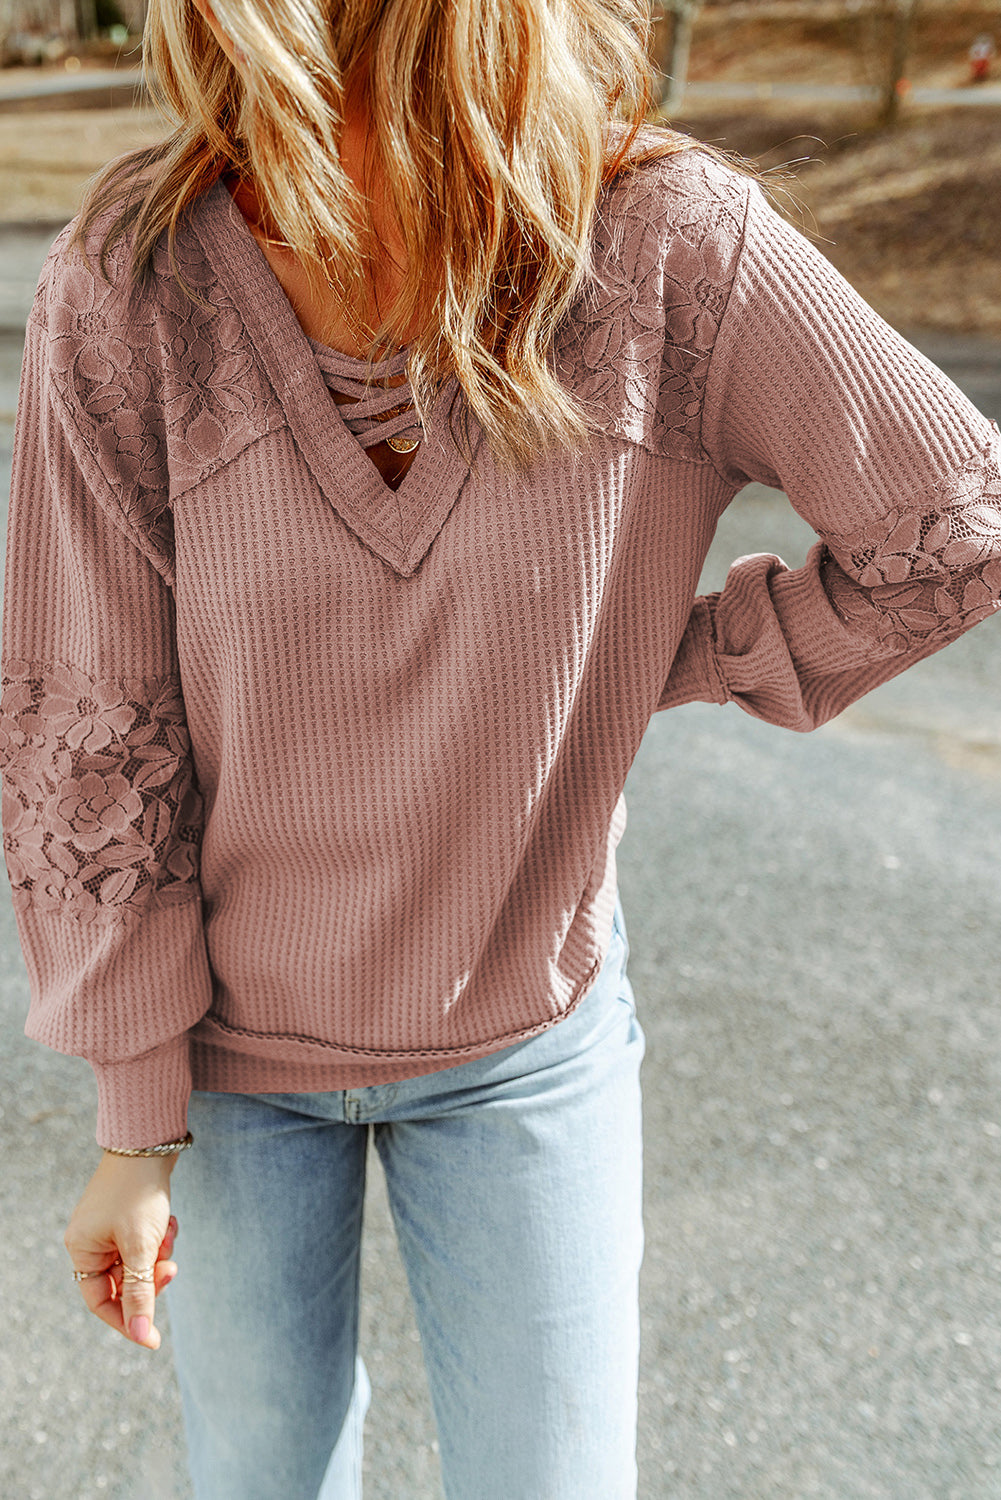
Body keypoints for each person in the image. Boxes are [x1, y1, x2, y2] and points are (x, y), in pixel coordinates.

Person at [1, 1, 999, 1497]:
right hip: (225, 1070)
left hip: (528, 1045)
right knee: (259, 1479)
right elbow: (93, 723)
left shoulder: (668, 249)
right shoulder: (136, 279)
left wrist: (675, 655)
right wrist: (135, 1124)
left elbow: (954, 530)